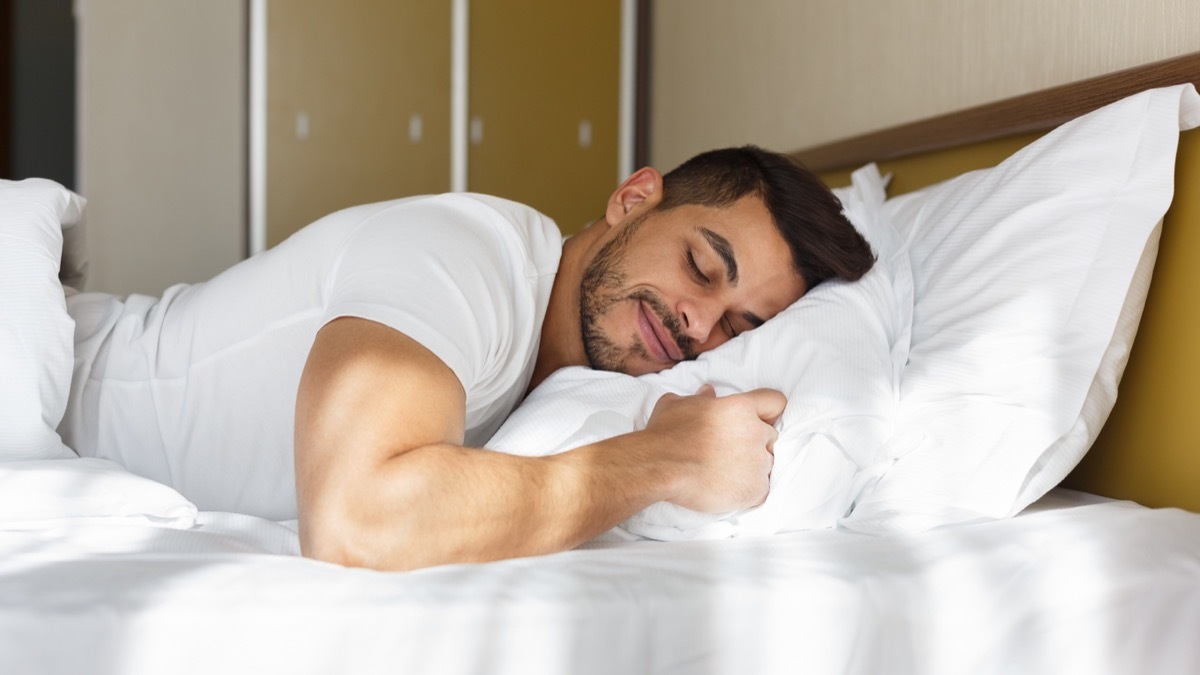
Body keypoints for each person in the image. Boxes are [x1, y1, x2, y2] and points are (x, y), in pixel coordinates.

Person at [58, 145, 874, 571]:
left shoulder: (555, 382)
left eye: (739, 327)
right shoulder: (468, 261)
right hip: (52, 383)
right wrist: (663, 459)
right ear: (632, 200)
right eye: (701, 265)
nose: (699, 324)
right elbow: (356, 522)